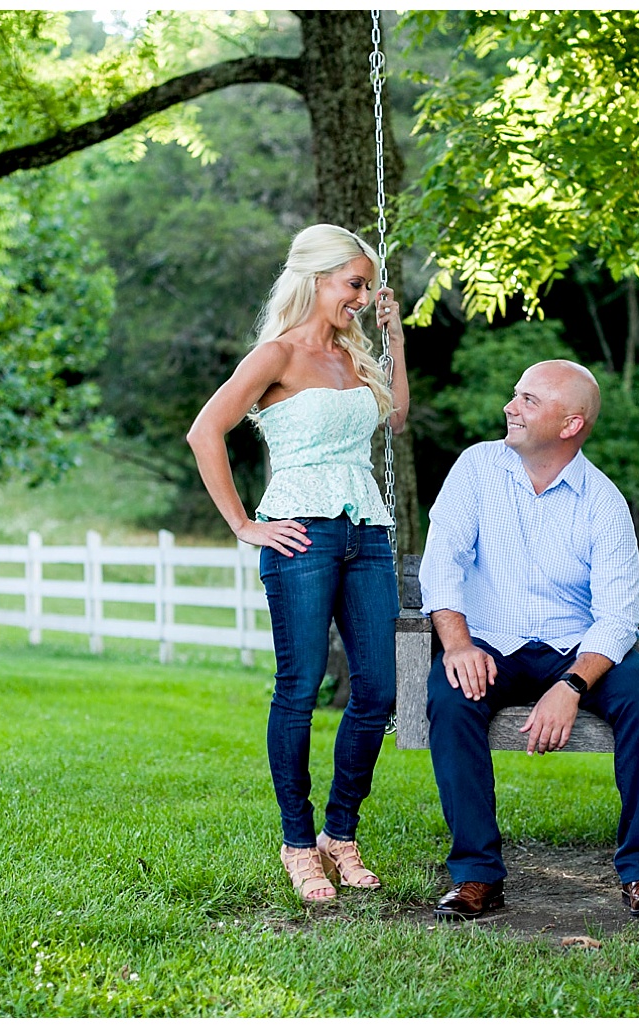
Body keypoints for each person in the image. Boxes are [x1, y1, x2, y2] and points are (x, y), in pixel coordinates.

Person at [186, 223, 408, 903]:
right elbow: (205, 431)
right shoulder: (275, 355)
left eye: (368, 286)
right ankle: (297, 843)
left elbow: (394, 418)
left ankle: (339, 836)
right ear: (317, 280)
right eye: (354, 285)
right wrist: (245, 524)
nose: (364, 297)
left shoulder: (354, 356)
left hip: (365, 531)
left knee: (376, 691)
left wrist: (396, 337)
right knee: (302, 686)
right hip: (300, 536)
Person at [417, 359, 639, 920]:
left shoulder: (602, 502)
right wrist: (458, 645)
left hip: (575, 648)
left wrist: (572, 685)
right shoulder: (476, 469)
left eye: (529, 400)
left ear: (570, 424)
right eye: (516, 396)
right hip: (489, 645)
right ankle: (476, 875)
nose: (511, 407)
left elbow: (617, 617)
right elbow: (443, 564)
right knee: (450, 695)